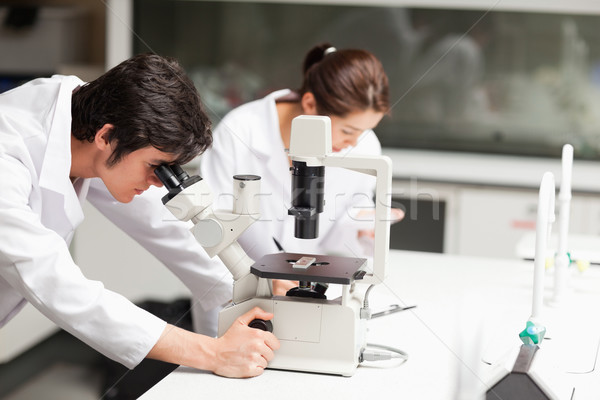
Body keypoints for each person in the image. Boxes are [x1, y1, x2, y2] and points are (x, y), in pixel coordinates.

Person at [0, 53, 279, 378]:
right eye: (154, 167)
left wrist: (250, 286)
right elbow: (56, 284)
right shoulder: (8, 160)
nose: (156, 182)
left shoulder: (86, 114)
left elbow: (159, 221)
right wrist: (213, 353)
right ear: (106, 136)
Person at [200, 43, 403, 269]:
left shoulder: (364, 145)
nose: (353, 143)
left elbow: (344, 218)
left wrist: (363, 225)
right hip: (237, 282)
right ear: (310, 103)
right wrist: (246, 281)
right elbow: (210, 226)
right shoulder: (241, 130)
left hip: (306, 276)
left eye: (363, 131)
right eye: (347, 131)